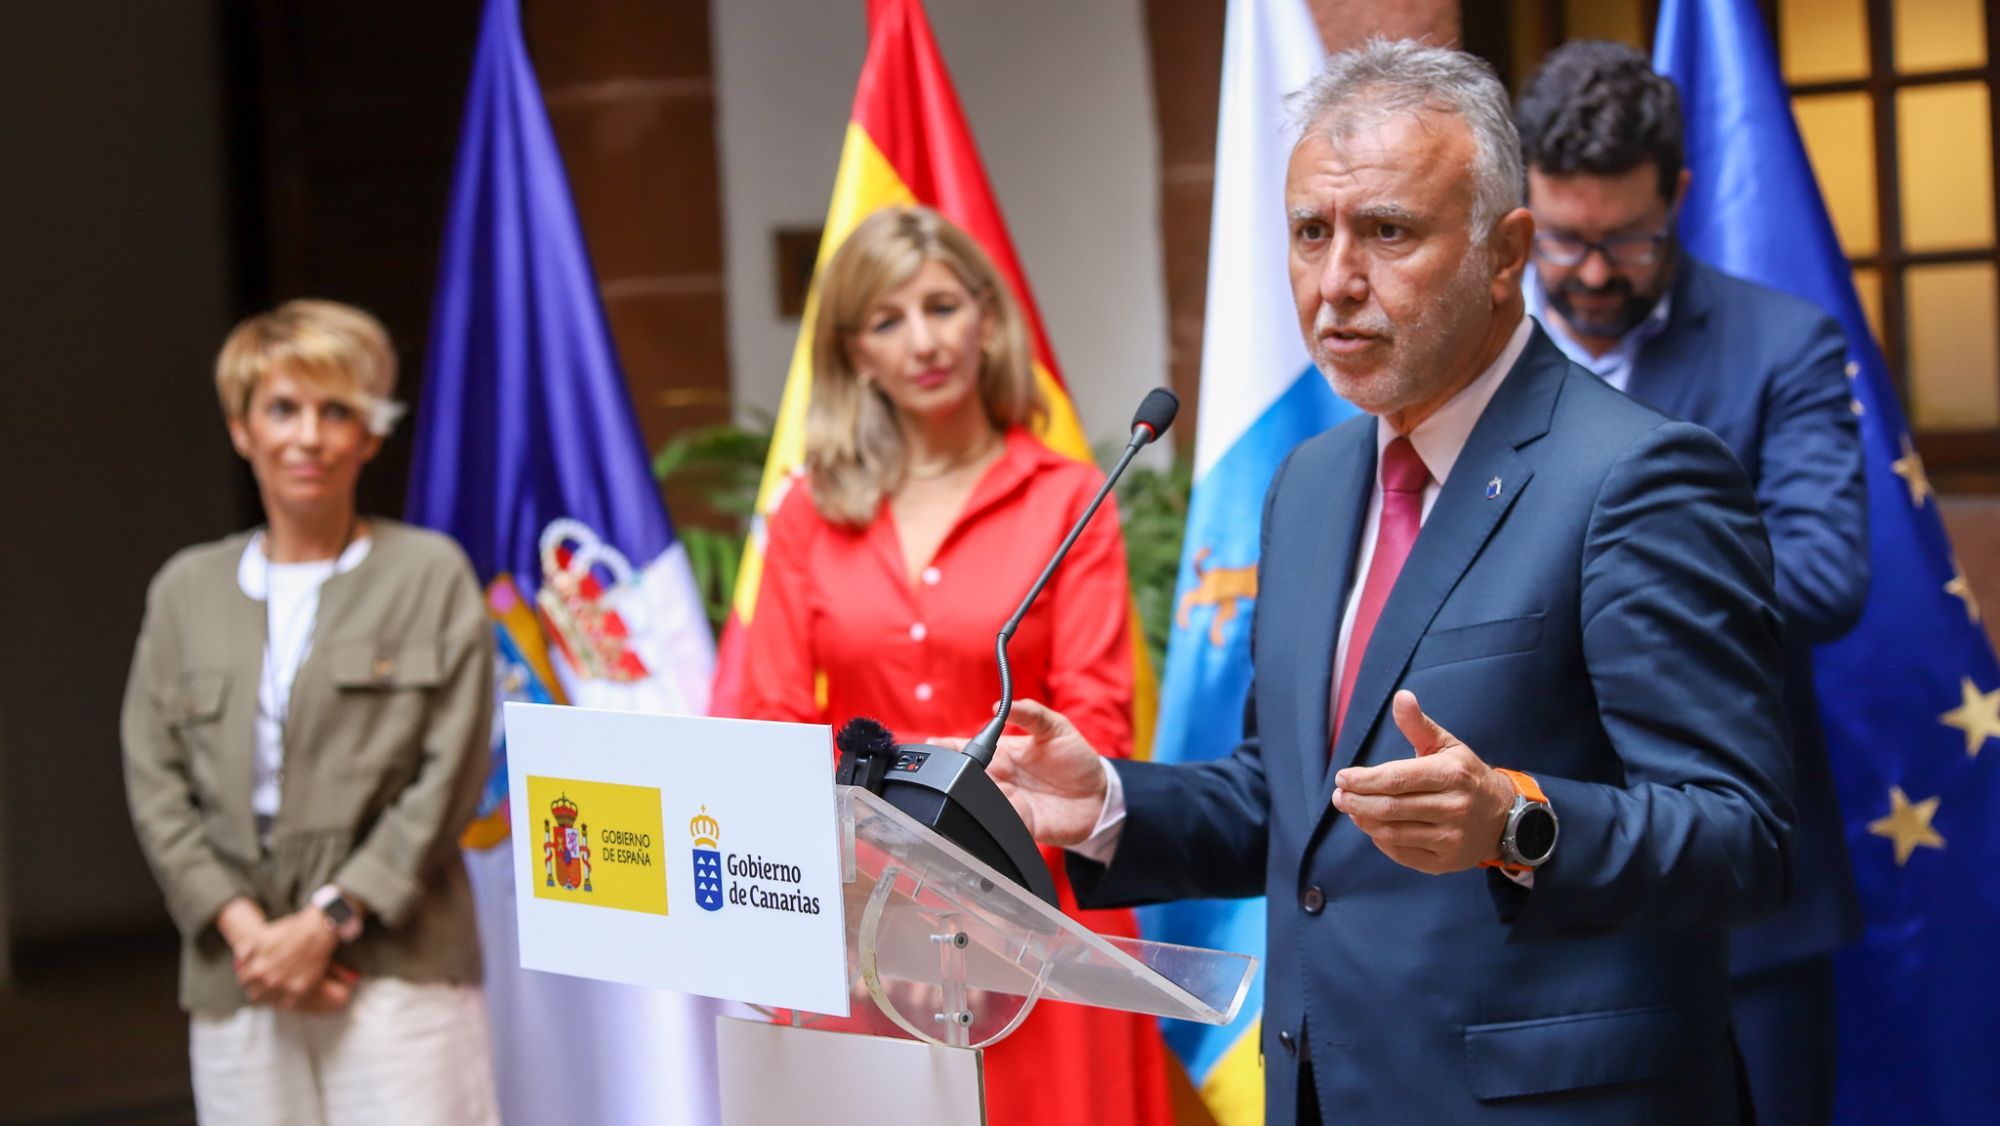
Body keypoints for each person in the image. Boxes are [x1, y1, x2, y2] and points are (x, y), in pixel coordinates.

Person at [983, 41, 1794, 1123]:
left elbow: (1743, 836)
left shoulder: (1637, 476)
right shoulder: (1311, 483)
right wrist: (1108, 804)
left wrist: (1517, 821)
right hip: (1325, 1089)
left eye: (1388, 232)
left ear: (1505, 253)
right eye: (1310, 232)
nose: (1335, 284)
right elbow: (1297, 799)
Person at [715, 205, 1173, 1126]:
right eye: (887, 320)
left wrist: (967, 899)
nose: (923, 342)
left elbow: (1097, 723)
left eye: (942, 307)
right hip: (857, 932)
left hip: (1035, 918)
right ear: (854, 354)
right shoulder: (808, 512)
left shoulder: (1067, 497)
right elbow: (768, 722)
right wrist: (886, 907)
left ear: (987, 321)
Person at [1512, 41, 1870, 1124]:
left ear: (1678, 194)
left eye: (1626, 239)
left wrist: (1607, 559)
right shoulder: (1473, 358)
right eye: (1563, 238)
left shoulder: (1782, 345)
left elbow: (1824, 576)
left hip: (1746, 917)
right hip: (1525, 903)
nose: (1591, 272)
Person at [121, 300, 500, 1124]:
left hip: (399, 969)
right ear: (241, 428)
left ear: (370, 434)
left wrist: (328, 920)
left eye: (337, 411)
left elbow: (452, 773)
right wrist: (250, 934)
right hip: (240, 969)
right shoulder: (185, 590)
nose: (308, 437)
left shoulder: (430, 575)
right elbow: (155, 782)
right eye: (282, 409)